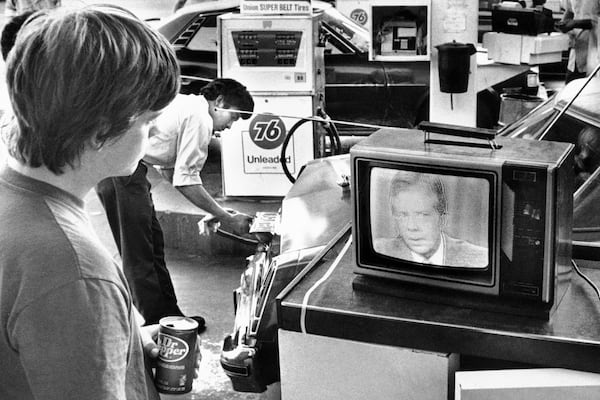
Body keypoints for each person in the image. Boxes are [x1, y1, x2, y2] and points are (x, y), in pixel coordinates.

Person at [0, 5, 181, 398]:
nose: (155, 130)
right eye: (148, 121)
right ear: (100, 130)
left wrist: (127, 338)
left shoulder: (16, 199)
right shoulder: (74, 271)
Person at [95, 78, 255, 329]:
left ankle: (169, 315)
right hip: (118, 168)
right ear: (220, 103)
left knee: (153, 245)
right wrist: (224, 216)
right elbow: (185, 180)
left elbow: (174, 173)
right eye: (233, 117)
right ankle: (155, 325)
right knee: (139, 252)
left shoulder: (188, 107)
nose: (230, 127)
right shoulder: (200, 117)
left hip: (129, 166)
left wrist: (213, 211)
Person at [374, 174, 488, 268]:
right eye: (403, 215)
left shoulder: (479, 259)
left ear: (442, 220)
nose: (412, 227)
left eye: (422, 215)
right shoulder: (380, 251)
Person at [556, 0, 599, 83]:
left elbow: (596, 21)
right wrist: (563, 23)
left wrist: (576, 23)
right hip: (577, 48)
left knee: (590, 88)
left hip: (595, 48)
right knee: (570, 89)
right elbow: (570, 11)